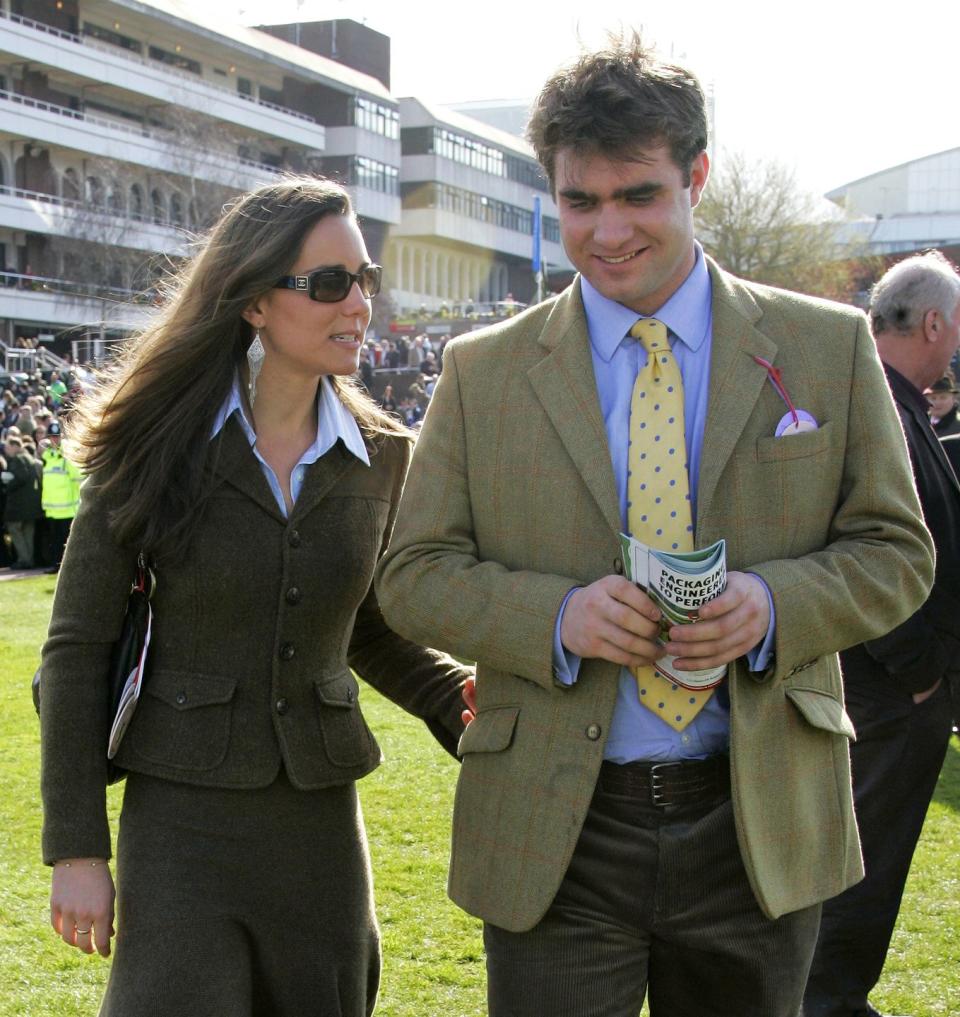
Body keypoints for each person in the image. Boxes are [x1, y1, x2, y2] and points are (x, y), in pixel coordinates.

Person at [375, 35, 934, 1017]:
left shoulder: (826, 346)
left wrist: (771, 606)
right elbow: (413, 576)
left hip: (756, 825)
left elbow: (898, 555)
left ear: (696, 178)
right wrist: (558, 619)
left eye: (638, 195)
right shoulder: (483, 370)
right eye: (580, 201)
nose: (608, 230)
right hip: (557, 828)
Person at [39, 176, 470, 1017]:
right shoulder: (148, 445)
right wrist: (77, 848)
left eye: (365, 278)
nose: (359, 304)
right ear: (254, 303)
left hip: (319, 831)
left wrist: (456, 699)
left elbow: (369, 627)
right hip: (180, 830)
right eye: (329, 283)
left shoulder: (384, 456)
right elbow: (77, 649)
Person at [803, 251, 960, 1017]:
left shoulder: (894, 403)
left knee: (868, 858)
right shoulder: (884, 411)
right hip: (890, 691)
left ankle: (834, 993)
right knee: (861, 861)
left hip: (891, 688)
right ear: (933, 322)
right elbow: (875, 551)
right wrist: (921, 672)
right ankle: (827, 997)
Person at [39, 419, 81, 573]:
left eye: (56, 436)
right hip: (52, 509)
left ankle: (68, 569)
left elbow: (78, 481)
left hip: (68, 509)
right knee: (55, 541)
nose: (54, 440)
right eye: (52, 437)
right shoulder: (48, 456)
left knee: (66, 541)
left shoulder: (67, 456)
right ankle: (55, 566)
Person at [1, 433, 42, 568]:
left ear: (15, 446)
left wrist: (7, 484)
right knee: (28, 533)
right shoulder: (29, 458)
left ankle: (24, 560)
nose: (6, 450)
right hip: (31, 505)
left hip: (19, 506)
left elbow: (21, 477)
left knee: (16, 532)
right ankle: (29, 559)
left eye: (8, 447)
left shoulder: (18, 459)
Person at [924, 372, 960, 436]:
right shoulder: (921, 421)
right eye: (933, 398)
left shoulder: (958, 425)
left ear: (953, 399)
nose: (937, 402)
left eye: (943, 398)